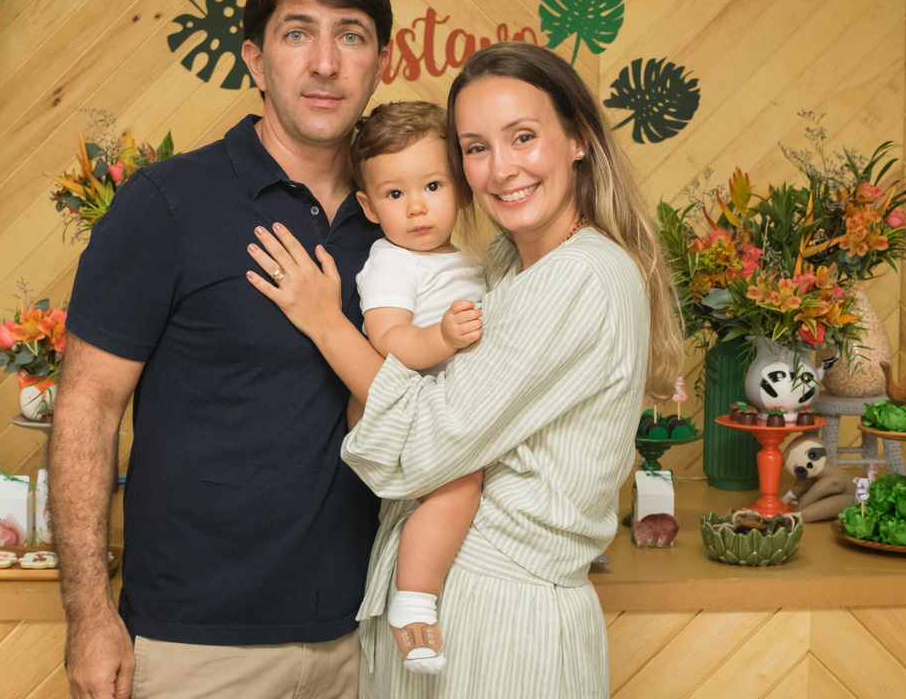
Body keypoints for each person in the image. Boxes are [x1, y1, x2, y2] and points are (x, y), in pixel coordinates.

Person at [246, 41, 683, 697]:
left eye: (524, 137)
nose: (501, 169)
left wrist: (325, 321)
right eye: (476, 148)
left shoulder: (580, 277)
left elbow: (430, 444)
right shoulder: (506, 265)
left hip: (507, 619)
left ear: (578, 140)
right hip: (449, 607)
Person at [49, 0, 392, 699]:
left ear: (383, 63)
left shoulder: (400, 221)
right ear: (254, 59)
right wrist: (89, 611)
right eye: (297, 33)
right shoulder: (166, 205)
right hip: (193, 645)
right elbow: (87, 408)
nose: (325, 63)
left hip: (363, 635)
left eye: (351, 36)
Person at [349, 101, 486, 674]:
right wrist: (443, 337)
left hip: (439, 405)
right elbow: (386, 338)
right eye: (395, 195)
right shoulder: (392, 261)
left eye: (432, 185)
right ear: (368, 206)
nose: (418, 207)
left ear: (460, 186)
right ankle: (413, 602)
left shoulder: (471, 259)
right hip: (394, 411)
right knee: (460, 482)